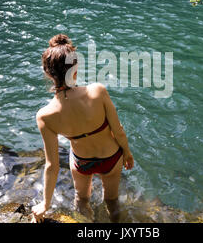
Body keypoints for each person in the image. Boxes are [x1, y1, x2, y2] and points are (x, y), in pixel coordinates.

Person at [31, 34, 134, 223]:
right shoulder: (98, 91)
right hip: (111, 157)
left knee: (81, 199)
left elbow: (52, 165)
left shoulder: (44, 115)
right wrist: (127, 153)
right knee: (112, 201)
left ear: (48, 74)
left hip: (81, 163)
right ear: (75, 69)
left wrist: (45, 204)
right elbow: (118, 130)